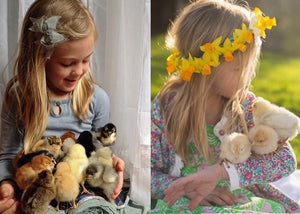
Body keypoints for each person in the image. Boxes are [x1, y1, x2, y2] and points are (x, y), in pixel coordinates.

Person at [151, 0, 300, 213]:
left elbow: (285, 161)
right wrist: (185, 189)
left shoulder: (244, 107)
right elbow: (146, 173)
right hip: (188, 202)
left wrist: (223, 173)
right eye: (242, 68)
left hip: (236, 199)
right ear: (210, 67)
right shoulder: (168, 106)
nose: (252, 75)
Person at [0, 0, 125, 213]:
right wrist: (7, 185)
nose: (79, 71)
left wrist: (111, 166)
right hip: (37, 185)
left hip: (80, 187)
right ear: (40, 58)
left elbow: (99, 153)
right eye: (67, 64)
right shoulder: (19, 96)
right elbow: (8, 155)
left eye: (86, 60)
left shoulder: (97, 99)